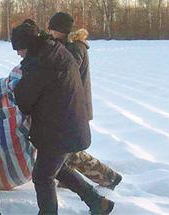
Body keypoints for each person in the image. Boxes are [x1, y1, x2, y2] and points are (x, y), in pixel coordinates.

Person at [12, 21, 114, 215]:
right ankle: (98, 203)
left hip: (58, 130)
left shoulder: (41, 64)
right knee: (56, 169)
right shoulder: (54, 50)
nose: (18, 53)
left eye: (20, 49)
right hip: (67, 124)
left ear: (30, 45)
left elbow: (24, 101)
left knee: (42, 176)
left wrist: (18, 84)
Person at [48, 12, 122, 189]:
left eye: (52, 29)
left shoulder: (75, 48)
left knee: (68, 151)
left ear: (61, 31)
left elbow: (64, 69)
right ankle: (75, 180)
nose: (49, 32)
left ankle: (107, 177)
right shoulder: (67, 46)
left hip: (74, 108)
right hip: (71, 107)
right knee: (67, 149)